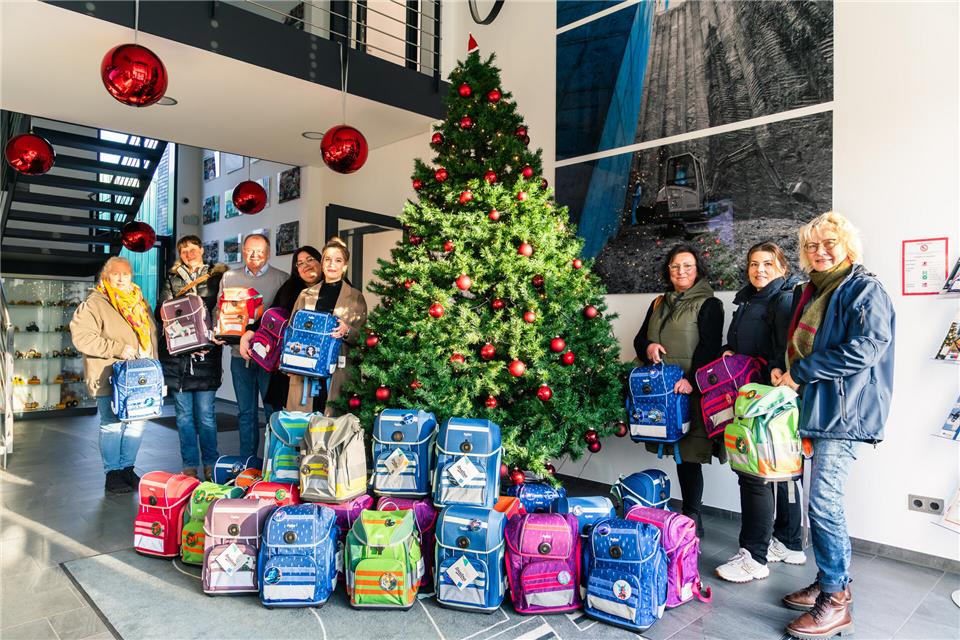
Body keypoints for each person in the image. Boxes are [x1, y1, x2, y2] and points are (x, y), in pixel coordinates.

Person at [776, 212, 895, 640]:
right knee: (820, 503)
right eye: (811, 245)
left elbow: (866, 347)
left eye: (828, 243)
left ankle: (836, 598)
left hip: (844, 413)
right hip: (817, 408)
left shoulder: (864, 288)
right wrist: (786, 370)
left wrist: (803, 371)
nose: (819, 251)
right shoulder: (812, 291)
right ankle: (830, 580)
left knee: (823, 504)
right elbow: (802, 346)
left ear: (847, 247)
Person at [714, 242, 806, 583]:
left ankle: (754, 557)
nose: (760, 270)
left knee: (756, 474)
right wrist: (729, 352)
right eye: (754, 264)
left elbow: (788, 349)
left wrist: (775, 371)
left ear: (782, 267)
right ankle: (789, 542)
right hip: (756, 396)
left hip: (769, 397)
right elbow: (746, 344)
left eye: (768, 263)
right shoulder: (750, 299)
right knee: (781, 471)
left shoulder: (782, 300)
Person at [633, 243, 724, 536]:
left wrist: (693, 380)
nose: (680, 271)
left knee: (690, 455)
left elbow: (710, 346)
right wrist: (648, 347)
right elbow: (638, 339)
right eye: (675, 266)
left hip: (688, 391)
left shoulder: (710, 303)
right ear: (668, 271)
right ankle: (670, 515)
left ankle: (692, 517)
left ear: (697, 270)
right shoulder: (659, 302)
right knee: (675, 450)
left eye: (687, 265)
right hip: (659, 394)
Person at [70, 257, 158, 494]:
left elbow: (150, 335)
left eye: (126, 274)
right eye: (115, 274)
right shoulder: (95, 303)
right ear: (106, 276)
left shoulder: (140, 301)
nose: (121, 278)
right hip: (109, 377)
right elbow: (82, 338)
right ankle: (113, 473)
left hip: (140, 378)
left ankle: (127, 469)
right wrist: (117, 349)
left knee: (136, 424)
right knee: (112, 425)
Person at [156, 235, 228, 480]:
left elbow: (223, 308)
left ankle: (210, 462)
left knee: (206, 416)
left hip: (207, 354)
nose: (189, 253)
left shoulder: (216, 277)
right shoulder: (171, 278)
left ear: (202, 250)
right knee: (184, 416)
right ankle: (189, 464)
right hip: (178, 358)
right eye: (184, 250)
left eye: (193, 248)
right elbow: (161, 311)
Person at [216, 233, 287, 460]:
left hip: (269, 361)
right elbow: (220, 311)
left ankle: (274, 462)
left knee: (271, 412)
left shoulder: (282, 279)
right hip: (240, 356)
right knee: (245, 413)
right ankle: (247, 461)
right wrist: (219, 330)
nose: (254, 255)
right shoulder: (229, 277)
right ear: (243, 252)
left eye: (259, 251)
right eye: (249, 251)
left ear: (268, 252)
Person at [285, 237, 367, 415]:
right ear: (322, 263)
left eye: (338, 260)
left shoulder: (355, 297)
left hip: (337, 369)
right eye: (327, 259)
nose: (332, 264)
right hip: (305, 366)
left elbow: (363, 338)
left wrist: (347, 331)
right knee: (304, 424)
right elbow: (291, 330)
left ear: (345, 266)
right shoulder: (305, 294)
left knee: (331, 423)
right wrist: (289, 360)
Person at [238, 245, 324, 411]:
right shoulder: (290, 288)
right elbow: (272, 315)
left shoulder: (334, 288)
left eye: (310, 259)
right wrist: (249, 332)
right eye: (299, 263)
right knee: (285, 418)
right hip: (286, 365)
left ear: (320, 261)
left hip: (319, 365)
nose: (305, 265)